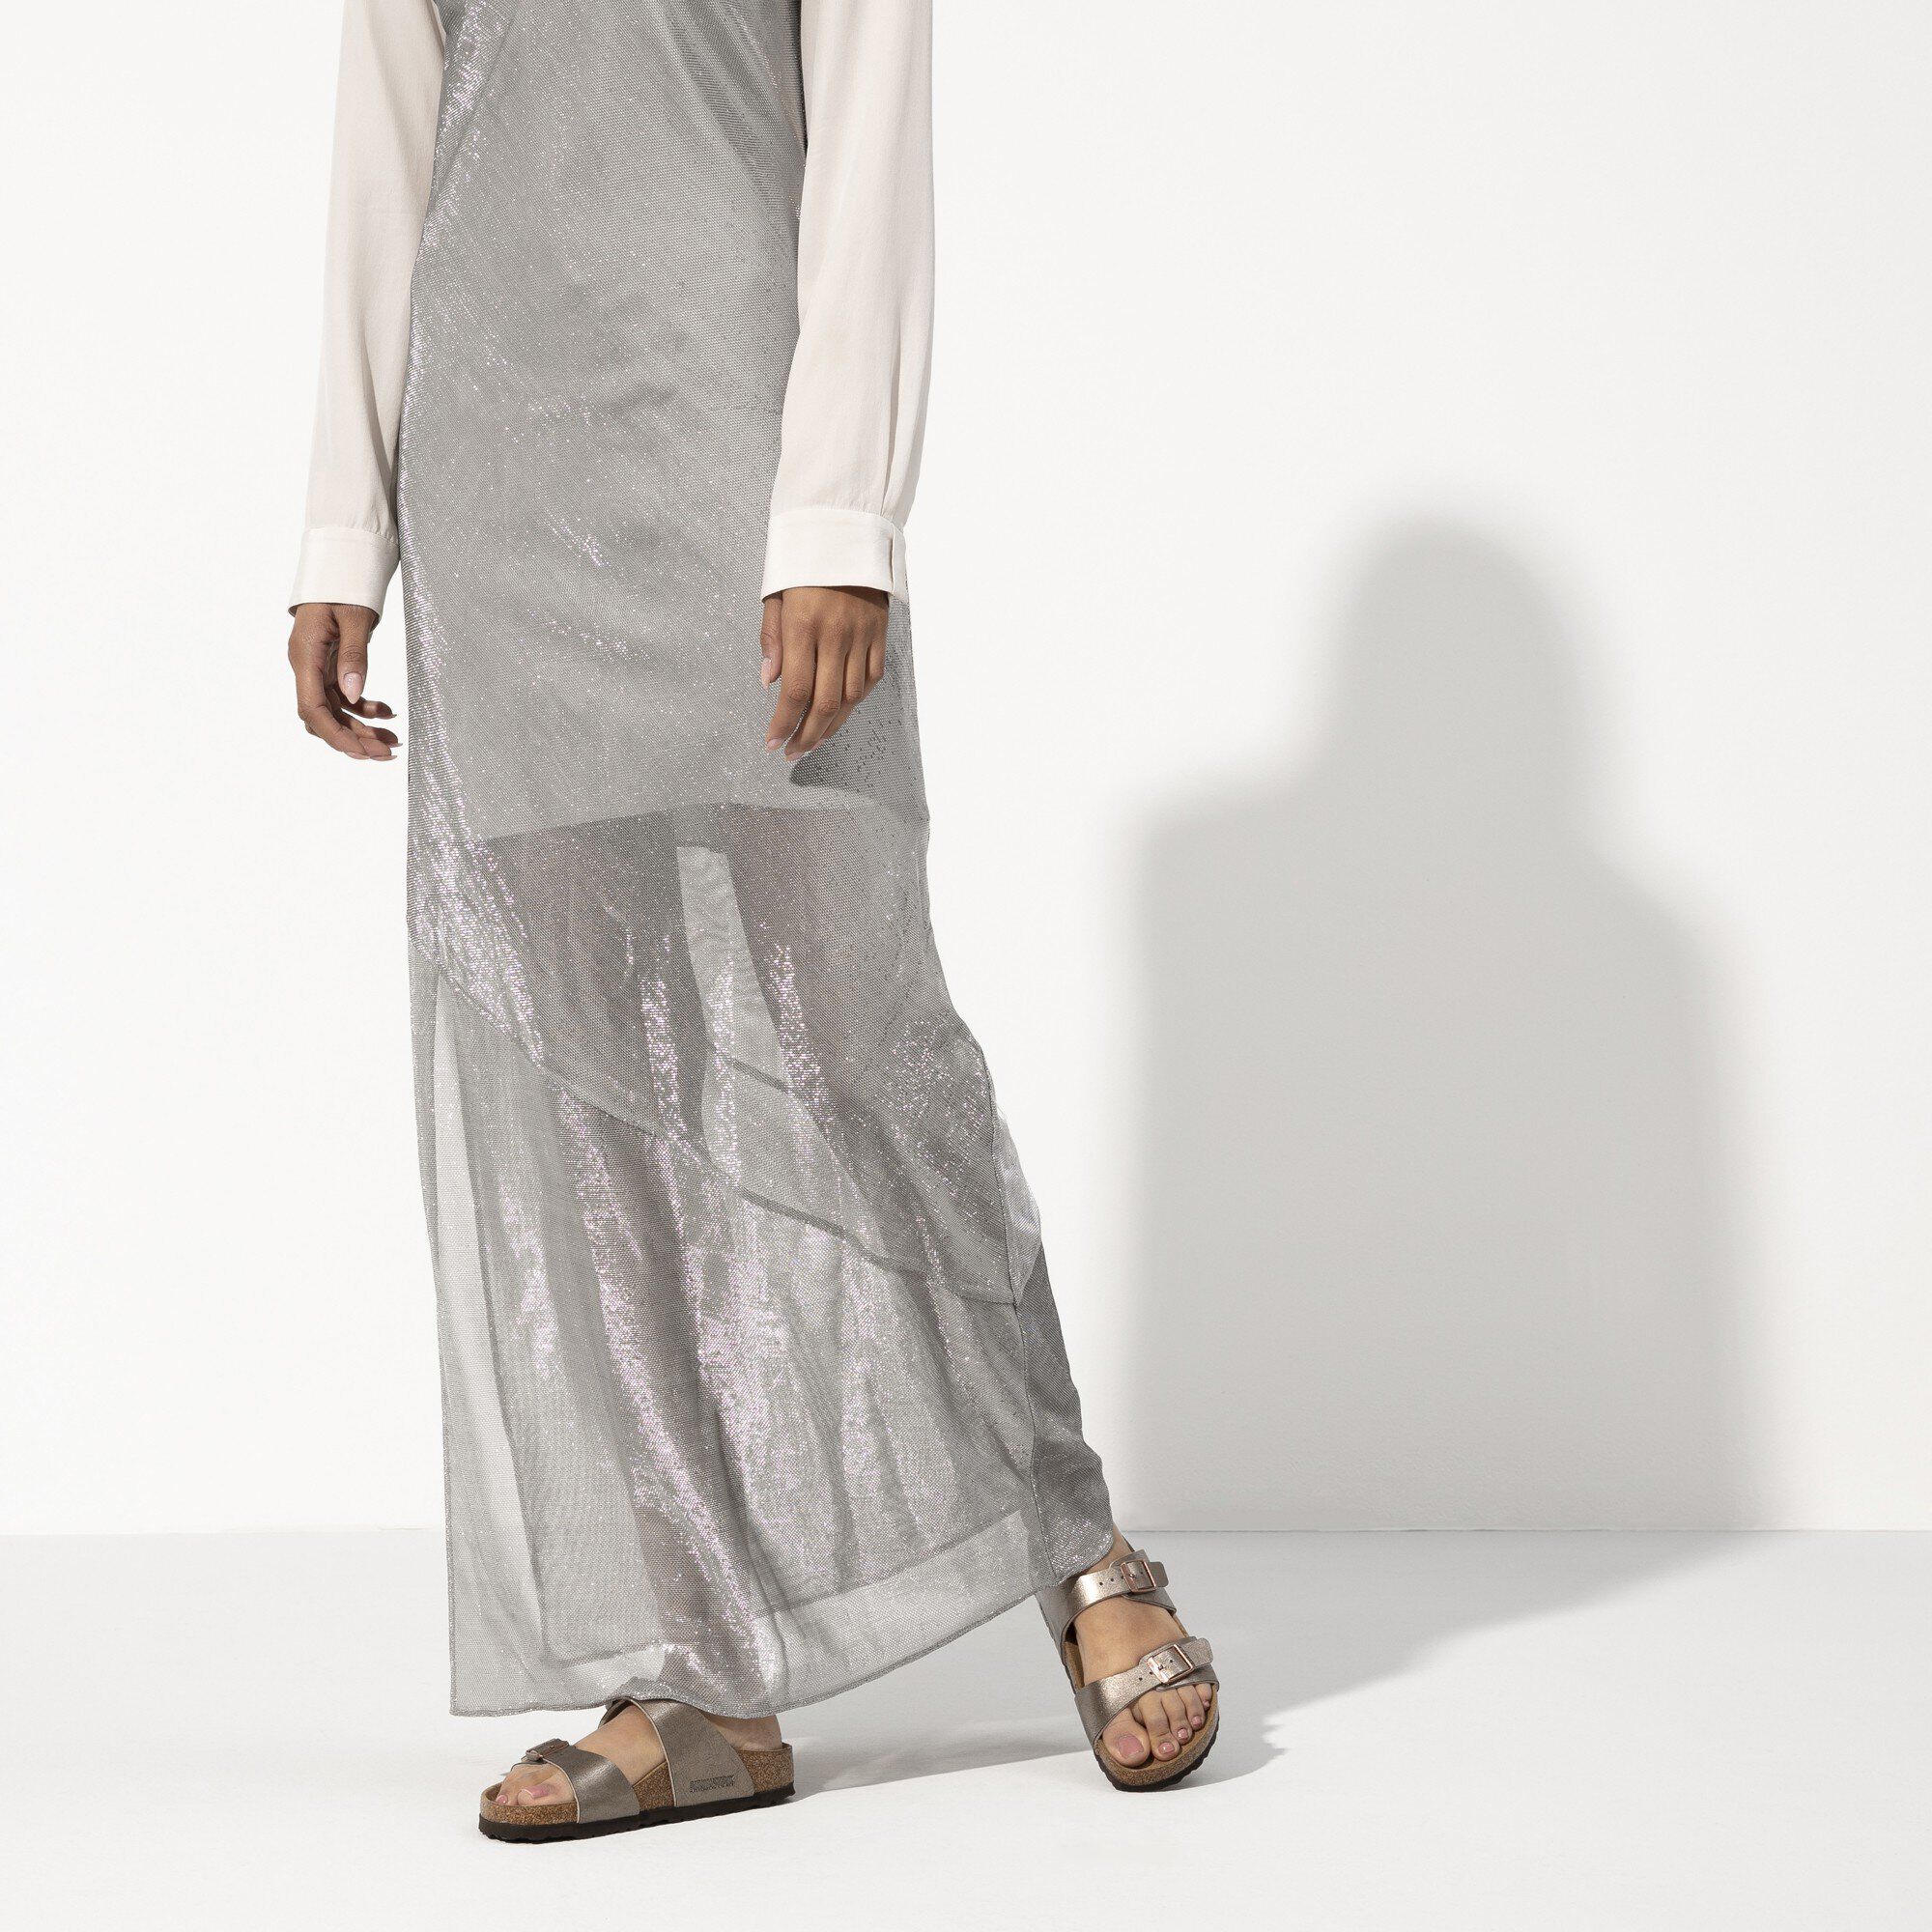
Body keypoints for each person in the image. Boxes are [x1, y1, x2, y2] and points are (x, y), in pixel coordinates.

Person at [287, 0, 1216, 1839]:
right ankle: (700, 1674)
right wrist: (341, 525)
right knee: (586, 1083)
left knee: (854, 1033)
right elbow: (388, 139)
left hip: (737, 421)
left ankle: (1077, 1538)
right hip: (498, 458)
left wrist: (841, 510)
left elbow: (868, 130)